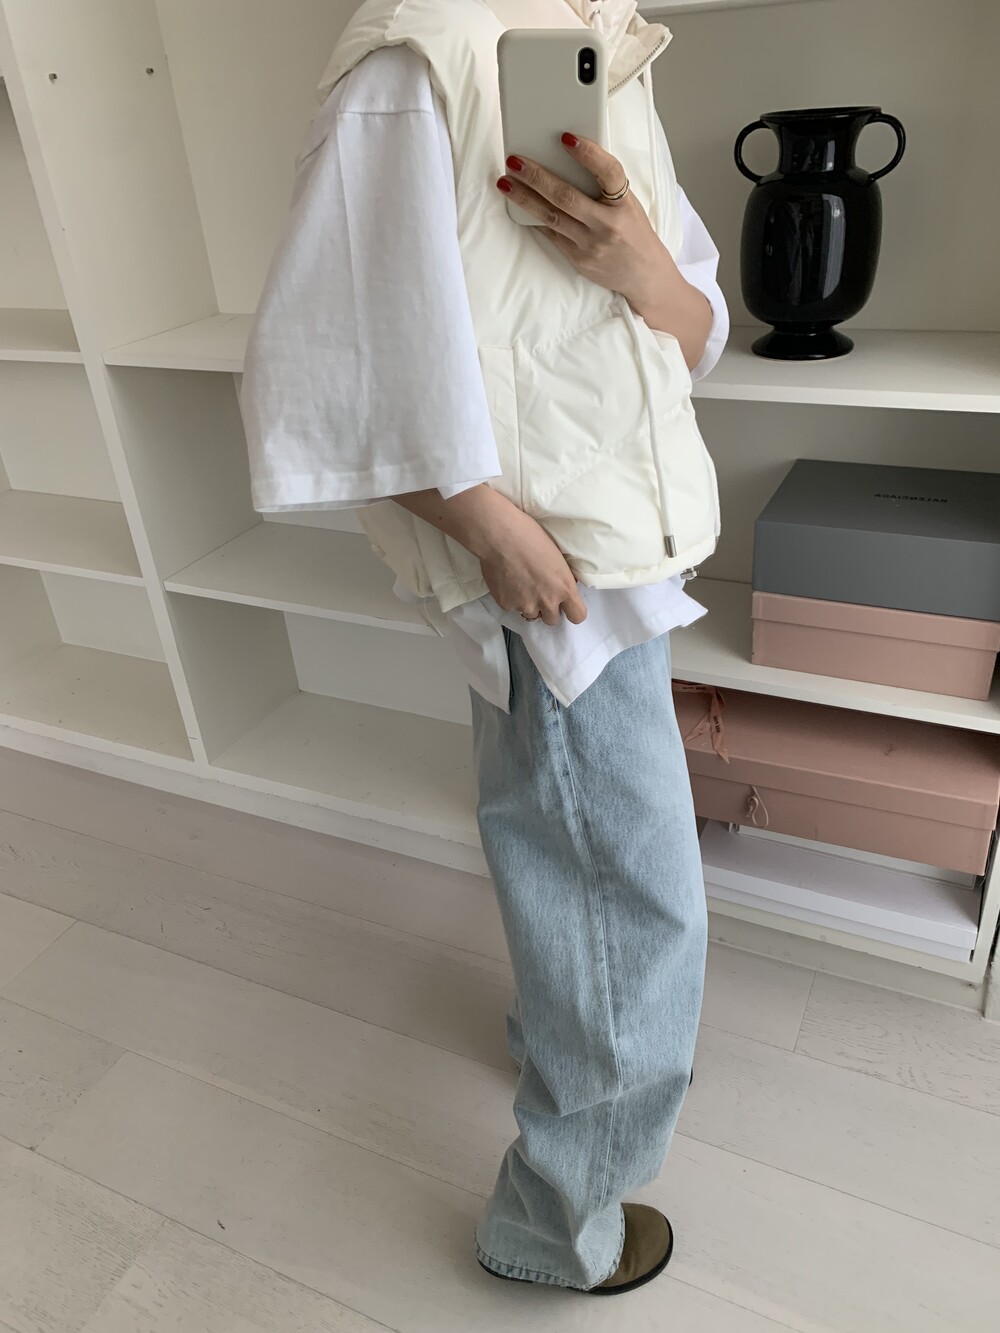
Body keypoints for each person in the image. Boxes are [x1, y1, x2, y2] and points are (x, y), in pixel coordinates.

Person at [240, 0, 729, 1298]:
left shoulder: (609, 40)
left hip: (620, 541)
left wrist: (644, 270)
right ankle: (555, 1226)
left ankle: (556, 1034)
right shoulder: (419, 52)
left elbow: (694, 330)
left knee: (566, 847)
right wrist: (486, 530)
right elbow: (327, 355)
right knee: (633, 902)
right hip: (556, 568)